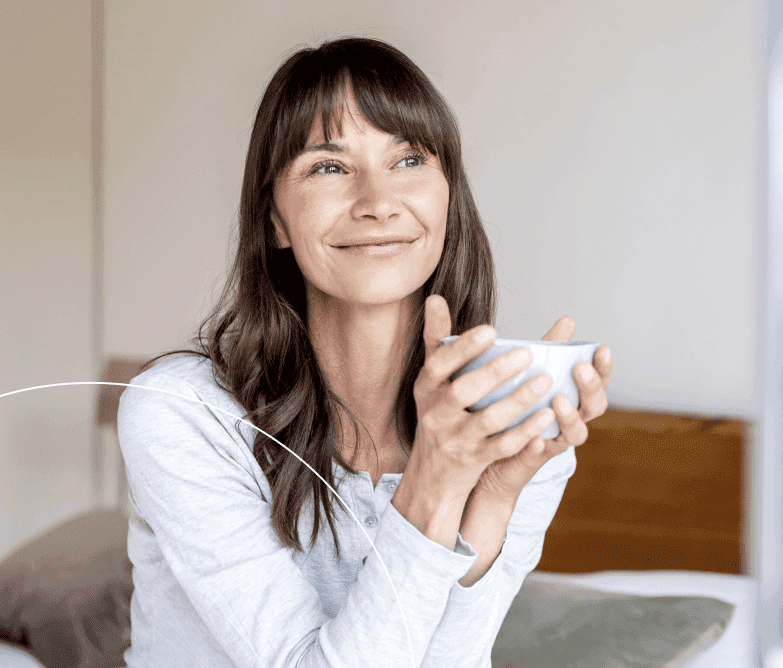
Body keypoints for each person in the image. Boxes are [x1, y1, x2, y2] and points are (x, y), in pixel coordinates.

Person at [118, 36, 611, 668]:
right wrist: (437, 480)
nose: (377, 203)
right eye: (329, 166)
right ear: (274, 217)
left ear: (447, 197)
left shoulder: (509, 427)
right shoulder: (182, 412)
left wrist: (489, 497)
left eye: (408, 161)